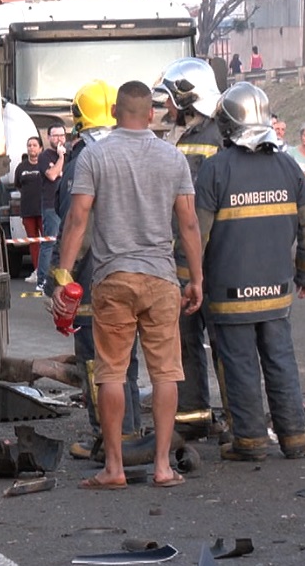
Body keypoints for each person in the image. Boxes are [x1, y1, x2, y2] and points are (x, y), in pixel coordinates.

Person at [52, 80, 203, 490]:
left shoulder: (95, 157)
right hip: (160, 278)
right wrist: (197, 279)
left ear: (116, 112)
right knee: (166, 374)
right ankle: (162, 468)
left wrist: (63, 278)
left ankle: (114, 468)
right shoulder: (173, 158)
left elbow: (78, 221)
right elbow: (189, 223)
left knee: (112, 374)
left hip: (113, 278)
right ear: (151, 114)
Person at [195, 82, 305, 461]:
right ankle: (295, 438)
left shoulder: (214, 170)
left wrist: (188, 282)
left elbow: (195, 235)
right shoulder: (289, 167)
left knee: (240, 364)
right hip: (277, 292)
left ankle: (250, 441)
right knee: (281, 360)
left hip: (229, 293)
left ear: (227, 125)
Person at [49, 80, 142, 460]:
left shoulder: (84, 160)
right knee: (127, 358)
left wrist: (61, 275)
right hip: (133, 269)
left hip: (91, 276)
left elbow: (75, 223)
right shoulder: (130, 151)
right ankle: (131, 431)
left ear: (78, 120)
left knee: (96, 360)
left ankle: (107, 438)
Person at [153, 56, 222, 441]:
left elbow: (186, 212)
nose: (166, 108)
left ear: (186, 99)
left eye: (170, 101)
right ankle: (226, 415)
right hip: (218, 258)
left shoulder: (195, 144)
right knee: (223, 343)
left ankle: (194, 416)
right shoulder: (217, 135)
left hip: (191, 256)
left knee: (187, 336)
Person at [33, 123, 68, 290]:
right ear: (48, 138)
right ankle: (42, 280)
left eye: (61, 135)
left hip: (66, 203)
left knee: (65, 241)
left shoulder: (72, 155)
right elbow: (53, 175)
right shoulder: (45, 156)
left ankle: (60, 277)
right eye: (55, 135)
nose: (59, 138)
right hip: (50, 205)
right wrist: (61, 158)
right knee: (50, 242)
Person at [12, 136, 46, 280]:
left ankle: (47, 271)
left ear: (40, 148)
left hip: (44, 209)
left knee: (47, 240)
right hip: (27, 210)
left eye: (34, 145)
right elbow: (18, 184)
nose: (31, 148)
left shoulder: (45, 165)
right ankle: (37, 270)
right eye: (29, 145)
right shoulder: (21, 167)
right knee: (33, 241)